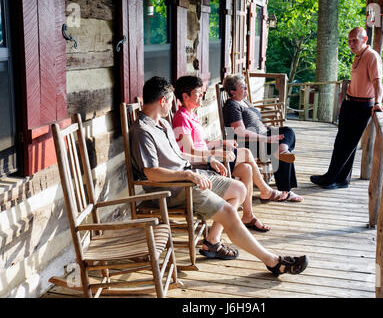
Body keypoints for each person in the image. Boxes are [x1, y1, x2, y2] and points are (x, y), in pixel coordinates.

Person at [129, 76, 308, 276]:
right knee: (230, 213)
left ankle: (212, 241)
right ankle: (273, 261)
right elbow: (152, 174)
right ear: (162, 100)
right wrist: (188, 175)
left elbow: (180, 155)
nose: (172, 104)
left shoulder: (162, 124)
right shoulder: (142, 131)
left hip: (191, 176)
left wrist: (208, 160)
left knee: (239, 189)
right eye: (171, 100)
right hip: (174, 189)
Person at [173, 75, 288, 232]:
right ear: (185, 96)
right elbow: (187, 150)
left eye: (202, 92)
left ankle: (248, 216)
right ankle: (266, 190)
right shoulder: (181, 118)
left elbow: (202, 143)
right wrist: (214, 154)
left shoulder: (191, 115)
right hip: (201, 165)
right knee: (246, 153)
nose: (202, 96)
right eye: (198, 93)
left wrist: (222, 143)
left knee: (247, 169)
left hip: (209, 158)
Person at [310, 27, 383, 189]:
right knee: (341, 143)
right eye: (349, 40)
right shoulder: (358, 56)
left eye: (355, 40)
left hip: (362, 106)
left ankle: (331, 179)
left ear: (365, 40)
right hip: (350, 103)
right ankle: (340, 179)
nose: (351, 44)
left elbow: (377, 83)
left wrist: (378, 103)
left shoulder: (372, 56)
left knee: (348, 144)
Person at [222, 74, 303, 202]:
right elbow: (240, 131)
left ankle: (283, 150)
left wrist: (266, 127)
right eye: (242, 87)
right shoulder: (232, 106)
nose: (246, 89)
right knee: (276, 145)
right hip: (250, 143)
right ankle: (285, 190)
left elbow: (254, 122)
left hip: (263, 136)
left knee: (287, 131)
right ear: (232, 92)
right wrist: (266, 139)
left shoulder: (245, 102)